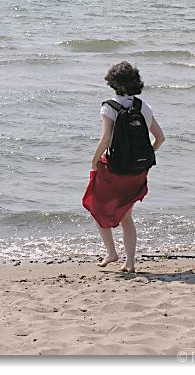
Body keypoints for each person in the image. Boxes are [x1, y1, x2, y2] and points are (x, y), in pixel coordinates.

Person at [82, 61, 165, 272]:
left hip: (115, 170)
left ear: (112, 82)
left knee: (96, 206)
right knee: (127, 216)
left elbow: (106, 139)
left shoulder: (109, 107)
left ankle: (111, 252)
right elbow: (160, 138)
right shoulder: (143, 107)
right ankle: (130, 263)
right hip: (138, 171)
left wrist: (94, 161)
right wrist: (144, 156)